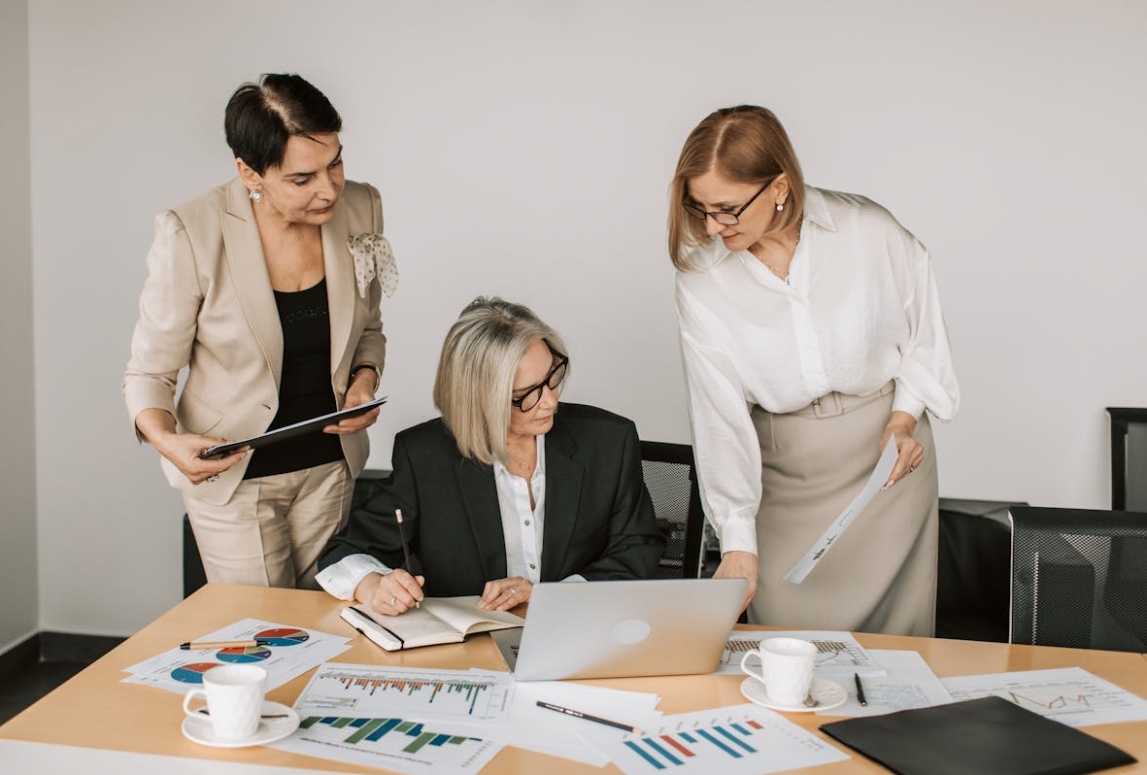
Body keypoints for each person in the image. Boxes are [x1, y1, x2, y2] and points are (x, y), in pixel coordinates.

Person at [667, 105, 959, 636]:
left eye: (728, 208)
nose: (712, 226)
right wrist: (737, 540)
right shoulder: (703, 280)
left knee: (897, 654)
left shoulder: (868, 231)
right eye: (700, 208)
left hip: (886, 465)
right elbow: (719, 416)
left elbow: (923, 335)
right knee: (785, 650)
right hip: (784, 476)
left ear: (779, 186)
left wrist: (904, 420)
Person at [123, 73, 398, 589]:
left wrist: (363, 382)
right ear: (249, 171)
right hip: (235, 479)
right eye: (302, 178)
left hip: (330, 471)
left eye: (334, 163)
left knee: (332, 632)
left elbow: (369, 329)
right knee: (261, 641)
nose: (328, 188)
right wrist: (168, 441)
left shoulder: (362, 206)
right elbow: (149, 372)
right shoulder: (191, 231)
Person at [316, 297, 665, 615]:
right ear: (479, 400)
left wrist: (551, 596)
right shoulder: (426, 457)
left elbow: (639, 550)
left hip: (576, 632)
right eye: (527, 394)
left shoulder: (608, 441)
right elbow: (343, 552)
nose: (551, 401)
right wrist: (374, 583)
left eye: (553, 376)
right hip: (468, 653)